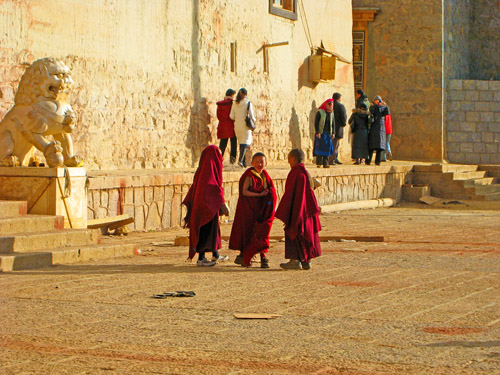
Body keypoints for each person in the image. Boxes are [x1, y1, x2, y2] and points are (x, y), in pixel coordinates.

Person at [182, 145, 230, 266]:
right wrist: (222, 202)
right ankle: (201, 258)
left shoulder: (202, 170)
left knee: (213, 231)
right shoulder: (209, 171)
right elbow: (213, 187)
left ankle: (216, 254)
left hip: (205, 208)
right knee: (205, 231)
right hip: (206, 210)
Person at [275, 149, 321, 270]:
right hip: (306, 211)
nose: (288, 161)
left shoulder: (296, 173)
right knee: (306, 233)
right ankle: (306, 261)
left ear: (294, 159)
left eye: (289, 158)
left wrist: (285, 211)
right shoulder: (305, 173)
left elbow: (291, 194)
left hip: (298, 210)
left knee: (296, 231)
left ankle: (295, 260)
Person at [229, 152, 277, 268]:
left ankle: (262, 257)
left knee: (262, 232)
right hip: (250, 209)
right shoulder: (249, 175)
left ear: (266, 163)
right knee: (249, 232)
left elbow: (271, 190)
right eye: (257, 162)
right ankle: (246, 255)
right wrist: (259, 195)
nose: (259, 164)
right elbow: (244, 192)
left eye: (262, 162)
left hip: (261, 210)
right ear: (252, 163)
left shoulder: (265, 175)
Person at [230, 88, 255, 168]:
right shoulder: (248, 103)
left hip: (237, 126)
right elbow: (252, 116)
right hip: (245, 126)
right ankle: (240, 160)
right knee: (244, 142)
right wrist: (254, 121)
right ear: (246, 94)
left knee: (241, 142)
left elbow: (231, 116)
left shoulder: (234, 103)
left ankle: (242, 162)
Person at [366, 96, 389, 166]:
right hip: (373, 128)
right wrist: (376, 105)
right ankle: (368, 160)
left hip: (381, 128)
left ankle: (377, 161)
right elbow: (373, 111)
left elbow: (387, 112)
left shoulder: (383, 108)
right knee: (371, 147)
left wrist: (384, 105)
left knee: (379, 147)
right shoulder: (372, 107)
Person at [216, 88, 237, 164]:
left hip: (222, 126)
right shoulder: (233, 103)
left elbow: (218, 116)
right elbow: (234, 115)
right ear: (232, 95)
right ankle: (232, 160)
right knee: (233, 143)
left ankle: (218, 159)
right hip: (232, 126)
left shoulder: (220, 104)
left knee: (222, 144)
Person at [313, 99, 335, 168]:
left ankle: (326, 163)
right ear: (326, 105)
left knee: (327, 148)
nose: (331, 107)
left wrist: (333, 132)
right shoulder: (320, 112)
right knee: (320, 148)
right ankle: (319, 163)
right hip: (321, 133)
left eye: (332, 106)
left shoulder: (332, 114)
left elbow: (333, 124)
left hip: (328, 133)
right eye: (330, 105)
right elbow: (316, 123)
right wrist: (317, 132)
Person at [331, 92, 347, 165]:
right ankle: (333, 159)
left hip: (330, 127)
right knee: (335, 144)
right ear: (338, 98)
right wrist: (343, 123)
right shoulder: (340, 106)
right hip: (338, 127)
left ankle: (334, 158)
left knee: (332, 143)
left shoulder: (330, 105)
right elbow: (343, 116)